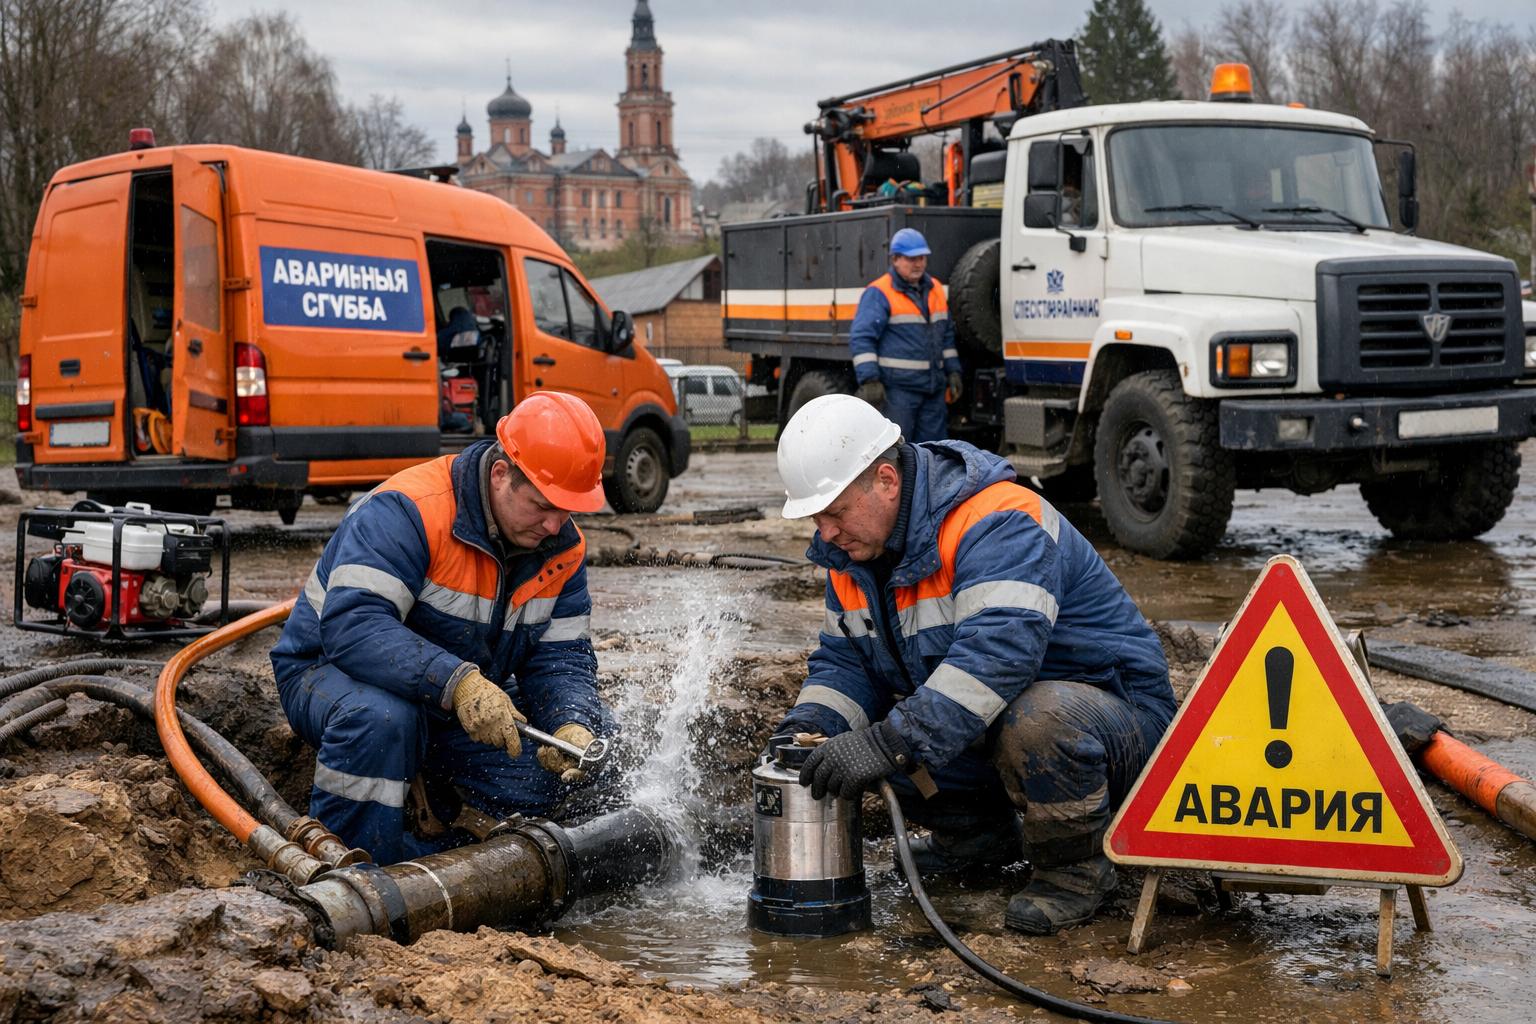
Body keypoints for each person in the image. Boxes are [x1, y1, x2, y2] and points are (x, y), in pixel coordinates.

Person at [770, 395, 1176, 935]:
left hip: (1120, 732)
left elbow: (996, 661)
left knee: (1018, 719)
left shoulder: (999, 519)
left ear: (886, 481)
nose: (826, 533)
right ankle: (979, 839)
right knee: (876, 737)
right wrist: (808, 730)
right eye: (816, 518)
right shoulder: (852, 556)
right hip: (1004, 722)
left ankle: (1076, 870)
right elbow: (847, 664)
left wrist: (887, 743)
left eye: (835, 512)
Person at [270, 391, 613, 865]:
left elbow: (561, 658)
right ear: (500, 475)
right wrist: (459, 682)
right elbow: (354, 628)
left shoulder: (562, 548)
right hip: (330, 673)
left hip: (448, 696)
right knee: (384, 721)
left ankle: (439, 838)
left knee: (582, 756)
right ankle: (352, 869)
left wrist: (570, 722)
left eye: (568, 510)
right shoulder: (410, 511)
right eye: (542, 505)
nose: (555, 525)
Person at [848, 228, 962, 444]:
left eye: (921, 258)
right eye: (911, 259)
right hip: (899, 392)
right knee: (898, 452)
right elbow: (862, 337)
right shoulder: (880, 292)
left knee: (933, 453)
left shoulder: (935, 288)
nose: (918, 264)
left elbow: (946, 334)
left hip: (933, 390)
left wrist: (953, 371)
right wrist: (870, 380)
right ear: (895, 260)